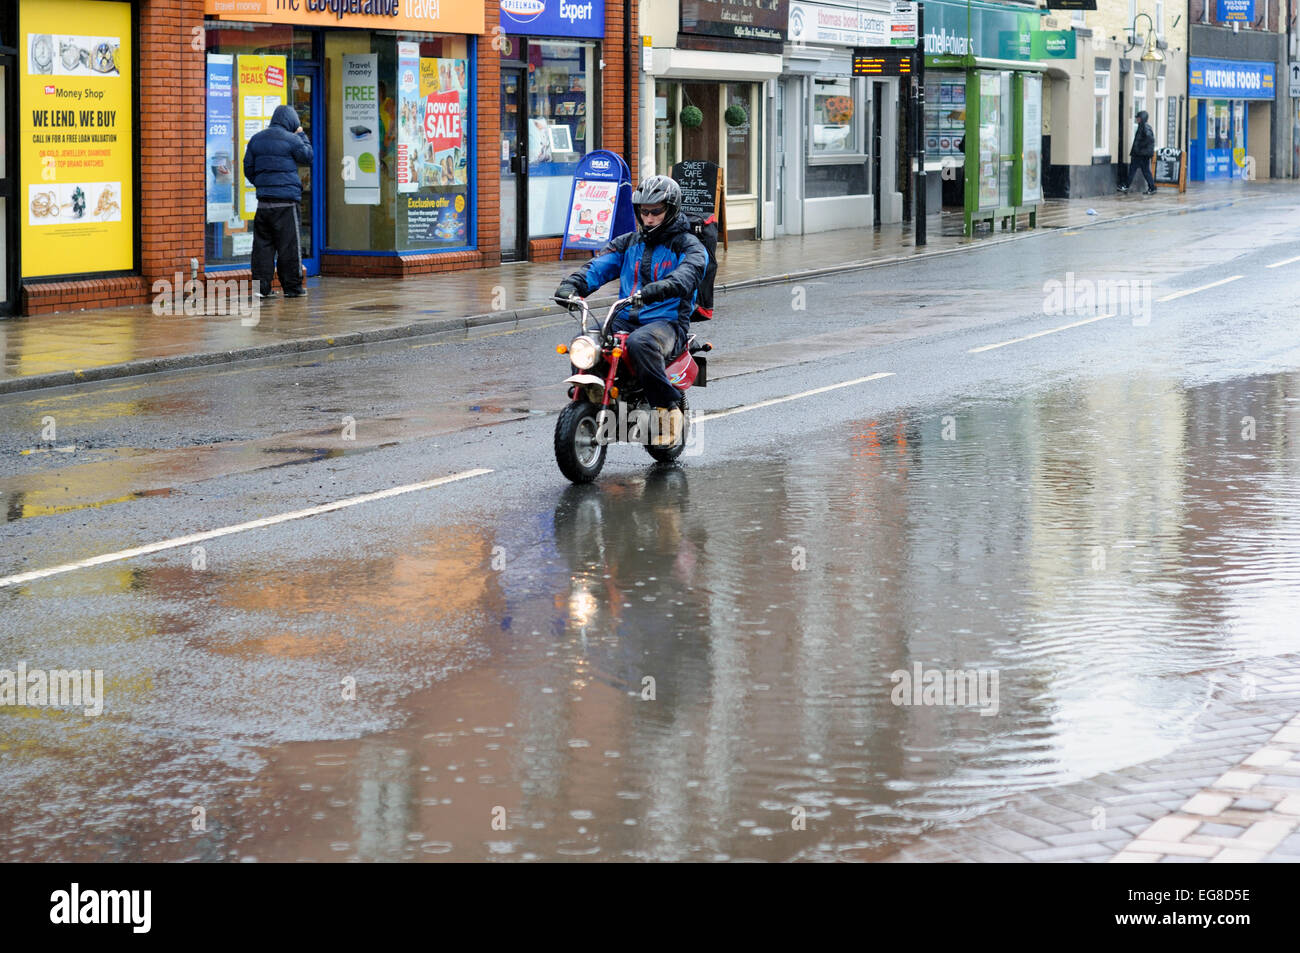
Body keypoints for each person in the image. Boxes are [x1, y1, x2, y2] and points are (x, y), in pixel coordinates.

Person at [555, 175, 708, 446]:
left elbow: (688, 274)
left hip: (667, 322)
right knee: (588, 341)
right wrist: (572, 286)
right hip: (625, 317)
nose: (648, 218)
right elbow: (599, 267)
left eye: (656, 212)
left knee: (641, 343)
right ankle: (591, 399)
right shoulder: (628, 242)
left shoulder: (689, 246)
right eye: (644, 211)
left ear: (671, 210)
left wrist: (661, 288)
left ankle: (667, 409)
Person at [243, 104, 312, 298]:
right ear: (290, 122)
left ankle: (261, 290)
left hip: (264, 203)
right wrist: (301, 133)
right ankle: (293, 288)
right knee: (289, 248)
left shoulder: (256, 139)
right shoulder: (292, 140)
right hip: (286, 204)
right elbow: (308, 156)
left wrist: (263, 185)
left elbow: (248, 168)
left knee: (262, 248)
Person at [1119, 110, 1156, 195]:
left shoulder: (1145, 127)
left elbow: (1149, 139)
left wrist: (1140, 147)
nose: (1137, 120)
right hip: (1140, 154)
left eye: (1138, 118)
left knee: (1134, 170)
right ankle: (1152, 187)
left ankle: (1126, 186)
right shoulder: (1142, 126)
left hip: (1140, 154)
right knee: (1144, 171)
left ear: (1142, 118)